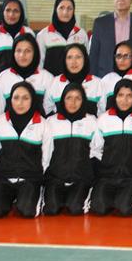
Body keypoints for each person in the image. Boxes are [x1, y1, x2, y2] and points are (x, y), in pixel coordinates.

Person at [0, 82, 49, 218]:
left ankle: (29, 195)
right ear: (10, 100)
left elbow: (47, 156)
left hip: (30, 178)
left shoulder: (43, 124)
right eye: (16, 98)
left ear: (32, 100)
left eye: (25, 98)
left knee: (27, 211)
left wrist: (40, 176)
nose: (20, 103)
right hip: (3, 177)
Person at [91, 79, 132, 216]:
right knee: (99, 208)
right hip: (107, 176)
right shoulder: (104, 119)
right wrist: (107, 161)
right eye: (121, 95)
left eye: (129, 96)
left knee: (125, 209)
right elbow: (95, 147)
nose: (125, 100)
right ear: (115, 97)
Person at [43, 83, 103, 215]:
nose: (73, 102)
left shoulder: (91, 121)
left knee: (75, 209)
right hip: (55, 178)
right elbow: (45, 152)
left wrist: (90, 172)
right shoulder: (50, 122)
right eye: (69, 98)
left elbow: (97, 149)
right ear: (63, 100)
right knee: (51, 209)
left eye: (78, 98)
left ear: (83, 100)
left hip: (81, 178)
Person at [0, 34, 54, 116]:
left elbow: (50, 109)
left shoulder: (47, 78)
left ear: (35, 53)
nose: (22, 55)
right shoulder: (3, 78)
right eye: (18, 50)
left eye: (28, 51)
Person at [36, 0, 89, 76]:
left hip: (76, 81)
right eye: (61, 8)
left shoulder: (81, 34)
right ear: (55, 10)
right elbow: (39, 64)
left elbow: (86, 61)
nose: (65, 12)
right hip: (52, 82)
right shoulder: (43, 35)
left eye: (69, 8)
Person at [0, 0, 35, 78]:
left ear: (21, 14)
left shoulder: (28, 32)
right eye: (8, 10)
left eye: (16, 11)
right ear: (3, 12)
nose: (11, 14)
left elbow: (34, 59)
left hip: (24, 81)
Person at [45, 43, 103, 116]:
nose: (74, 62)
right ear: (64, 60)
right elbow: (47, 110)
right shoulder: (54, 83)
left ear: (85, 59)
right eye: (69, 57)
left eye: (78, 57)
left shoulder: (97, 83)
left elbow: (103, 114)